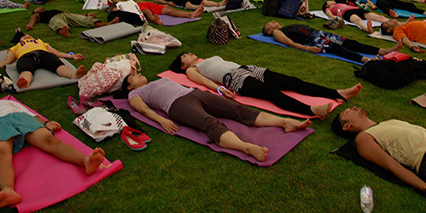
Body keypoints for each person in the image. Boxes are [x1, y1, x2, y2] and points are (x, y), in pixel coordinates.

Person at [0, 93, 105, 209]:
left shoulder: (7, 101)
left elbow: (29, 113)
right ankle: (8, 190)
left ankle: (85, 161)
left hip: (19, 118)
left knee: (50, 141)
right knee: (1, 154)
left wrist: (46, 122)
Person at [122, 73, 311, 162]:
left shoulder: (159, 79)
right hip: (177, 105)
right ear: (129, 86)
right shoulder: (135, 93)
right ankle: (246, 147)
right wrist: (161, 120)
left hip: (194, 93)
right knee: (210, 123)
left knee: (238, 109)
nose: (138, 74)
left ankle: (285, 122)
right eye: (134, 76)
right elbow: (144, 110)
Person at [169, 53, 362, 118]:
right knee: (272, 93)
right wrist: (221, 90)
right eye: (184, 55)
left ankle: (337, 93)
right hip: (234, 80)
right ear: (183, 65)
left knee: (292, 82)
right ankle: (310, 110)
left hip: (248, 69)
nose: (188, 53)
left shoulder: (204, 59)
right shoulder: (191, 70)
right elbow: (205, 82)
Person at [262, 21, 399, 63]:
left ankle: (381, 51)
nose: (274, 22)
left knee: (349, 42)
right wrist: (306, 48)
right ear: (269, 31)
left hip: (319, 33)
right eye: (270, 24)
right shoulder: (277, 32)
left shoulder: (285, 25)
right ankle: (365, 60)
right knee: (337, 48)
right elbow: (288, 42)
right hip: (311, 40)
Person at [0, 35, 86, 89]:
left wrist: (71, 56)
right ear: (20, 40)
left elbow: (56, 52)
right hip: (26, 56)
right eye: (24, 36)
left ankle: (73, 74)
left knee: (57, 64)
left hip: (43, 54)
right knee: (26, 69)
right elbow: (8, 60)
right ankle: (24, 82)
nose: (27, 36)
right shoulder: (16, 46)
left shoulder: (39, 41)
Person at [26, 7, 120, 37]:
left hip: (65, 14)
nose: (39, 8)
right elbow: (33, 18)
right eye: (37, 8)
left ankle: (107, 24)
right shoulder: (39, 15)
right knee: (58, 24)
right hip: (53, 18)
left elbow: (75, 16)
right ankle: (64, 32)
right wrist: (30, 24)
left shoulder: (49, 10)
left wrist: (86, 15)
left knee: (83, 20)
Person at [322, 0, 390, 33]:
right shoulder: (328, 9)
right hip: (346, 13)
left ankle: (392, 22)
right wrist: (336, 18)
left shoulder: (339, 3)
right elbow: (329, 15)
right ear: (326, 5)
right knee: (357, 19)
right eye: (329, 1)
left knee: (379, 17)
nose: (332, 0)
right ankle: (367, 29)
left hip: (355, 9)